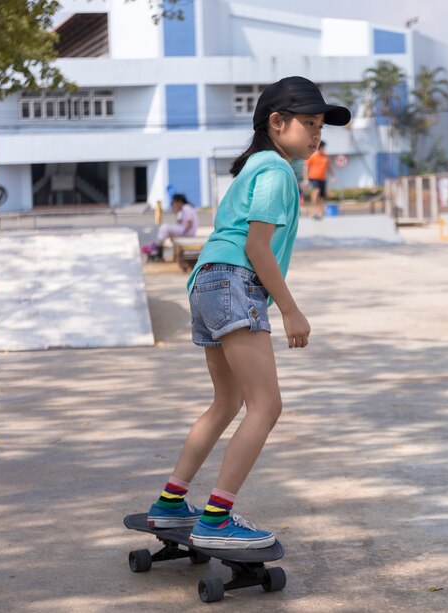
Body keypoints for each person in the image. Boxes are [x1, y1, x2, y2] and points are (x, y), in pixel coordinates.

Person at [145, 76, 350, 548]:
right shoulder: (277, 171)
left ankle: (171, 502)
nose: (317, 135)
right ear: (277, 123)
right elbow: (259, 247)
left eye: (322, 126)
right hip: (236, 282)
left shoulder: (256, 166)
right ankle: (217, 518)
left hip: (208, 281)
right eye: (310, 124)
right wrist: (291, 311)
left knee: (227, 403)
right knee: (266, 405)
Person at [142, 194, 199, 260]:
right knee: (166, 230)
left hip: (188, 232)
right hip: (186, 230)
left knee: (165, 227)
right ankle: (157, 247)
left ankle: (156, 246)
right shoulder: (184, 208)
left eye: (175, 202)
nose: (174, 204)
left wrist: (183, 234)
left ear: (179, 201)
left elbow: (190, 224)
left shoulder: (186, 207)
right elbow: (179, 222)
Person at [303, 140, 334, 218]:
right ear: (319, 148)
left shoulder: (326, 156)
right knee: (316, 191)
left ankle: (321, 211)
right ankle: (314, 209)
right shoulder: (313, 156)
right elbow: (306, 167)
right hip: (314, 177)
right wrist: (306, 179)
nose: (324, 149)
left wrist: (333, 176)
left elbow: (329, 167)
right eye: (323, 147)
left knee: (322, 196)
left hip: (323, 178)